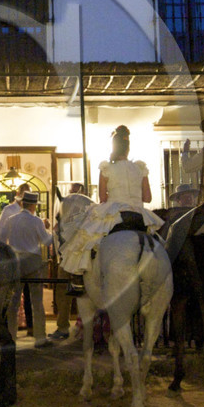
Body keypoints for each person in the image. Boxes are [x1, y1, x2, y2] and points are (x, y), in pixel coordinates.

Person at [58, 126, 163, 296]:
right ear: (128, 148)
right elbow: (148, 197)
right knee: (159, 241)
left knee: (85, 240)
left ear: (113, 147)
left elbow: (102, 198)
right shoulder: (140, 168)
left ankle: (78, 280)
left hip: (116, 213)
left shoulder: (107, 168)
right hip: (139, 215)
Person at [0, 191, 51, 338]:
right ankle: (40, 337)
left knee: (14, 301)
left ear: (22, 203)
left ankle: (11, 336)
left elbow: (1, 238)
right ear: (33, 206)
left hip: (16, 260)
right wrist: (52, 231)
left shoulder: (11, 219)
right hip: (33, 260)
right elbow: (47, 241)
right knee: (37, 301)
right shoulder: (37, 221)